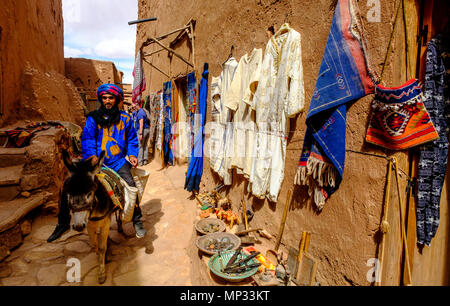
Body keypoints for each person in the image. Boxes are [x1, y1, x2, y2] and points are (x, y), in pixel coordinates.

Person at [47, 84, 147, 242]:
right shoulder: (92, 118)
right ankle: (63, 222)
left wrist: (133, 154)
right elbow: (87, 138)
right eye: (104, 98)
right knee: (69, 184)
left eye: (111, 98)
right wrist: (91, 156)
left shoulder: (125, 119)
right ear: (101, 99)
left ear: (117, 99)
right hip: (93, 162)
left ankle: (137, 219)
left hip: (117, 161)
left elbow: (132, 139)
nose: (107, 101)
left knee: (130, 184)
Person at [132, 101, 150, 166]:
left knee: (140, 146)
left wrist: (140, 133)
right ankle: (145, 160)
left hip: (142, 130)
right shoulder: (141, 111)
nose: (133, 108)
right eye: (133, 107)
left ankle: (140, 162)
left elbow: (141, 123)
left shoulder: (140, 113)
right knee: (145, 145)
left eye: (134, 107)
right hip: (147, 130)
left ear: (137, 105)